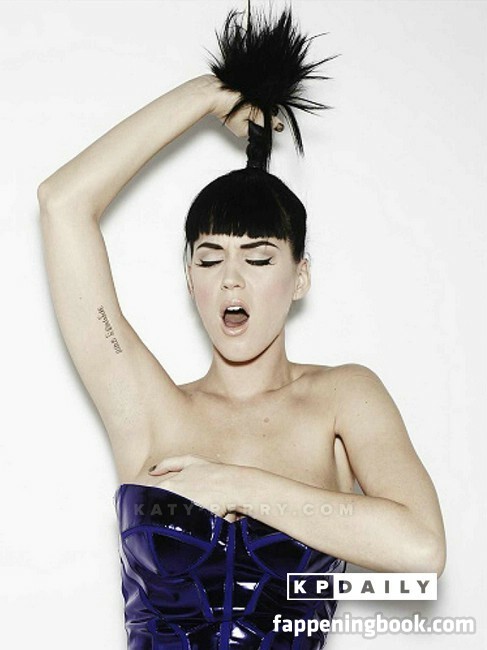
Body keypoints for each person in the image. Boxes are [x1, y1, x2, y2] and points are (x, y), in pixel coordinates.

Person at [37, 4, 446, 648]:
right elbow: (62, 204)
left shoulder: (342, 399)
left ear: (300, 277)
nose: (232, 281)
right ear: (189, 278)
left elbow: (421, 551)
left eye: (258, 260)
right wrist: (209, 94)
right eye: (210, 260)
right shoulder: (146, 408)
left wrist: (232, 484)